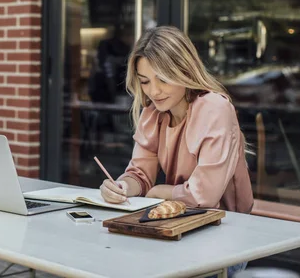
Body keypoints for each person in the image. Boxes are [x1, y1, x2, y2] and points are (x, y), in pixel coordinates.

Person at [99, 26, 253, 277]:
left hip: (226, 235)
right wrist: (122, 187)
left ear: (183, 71)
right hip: (178, 228)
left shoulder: (215, 108)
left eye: (163, 79)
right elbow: (139, 173)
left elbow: (204, 196)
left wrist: (159, 191)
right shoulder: (153, 113)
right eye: (145, 81)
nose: (154, 91)